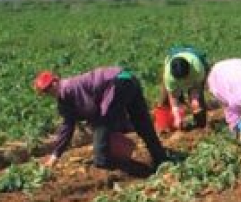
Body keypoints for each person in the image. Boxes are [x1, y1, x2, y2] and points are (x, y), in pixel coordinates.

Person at [33, 67, 168, 172]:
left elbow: (91, 109)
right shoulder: (65, 96)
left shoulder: (68, 88)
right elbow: (67, 127)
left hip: (118, 83)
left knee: (101, 155)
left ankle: (140, 171)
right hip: (128, 77)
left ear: (56, 81)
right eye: (45, 91)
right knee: (142, 123)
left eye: (50, 87)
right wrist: (56, 155)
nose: (50, 92)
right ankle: (161, 159)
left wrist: (96, 128)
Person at [160, 46, 210, 130]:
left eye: (185, 78)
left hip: (196, 60)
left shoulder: (197, 68)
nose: (183, 81)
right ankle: (173, 123)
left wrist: (195, 98)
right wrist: (176, 115)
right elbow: (173, 96)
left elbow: (196, 86)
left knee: (198, 102)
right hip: (173, 62)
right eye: (180, 80)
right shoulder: (168, 76)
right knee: (169, 99)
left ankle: (200, 125)